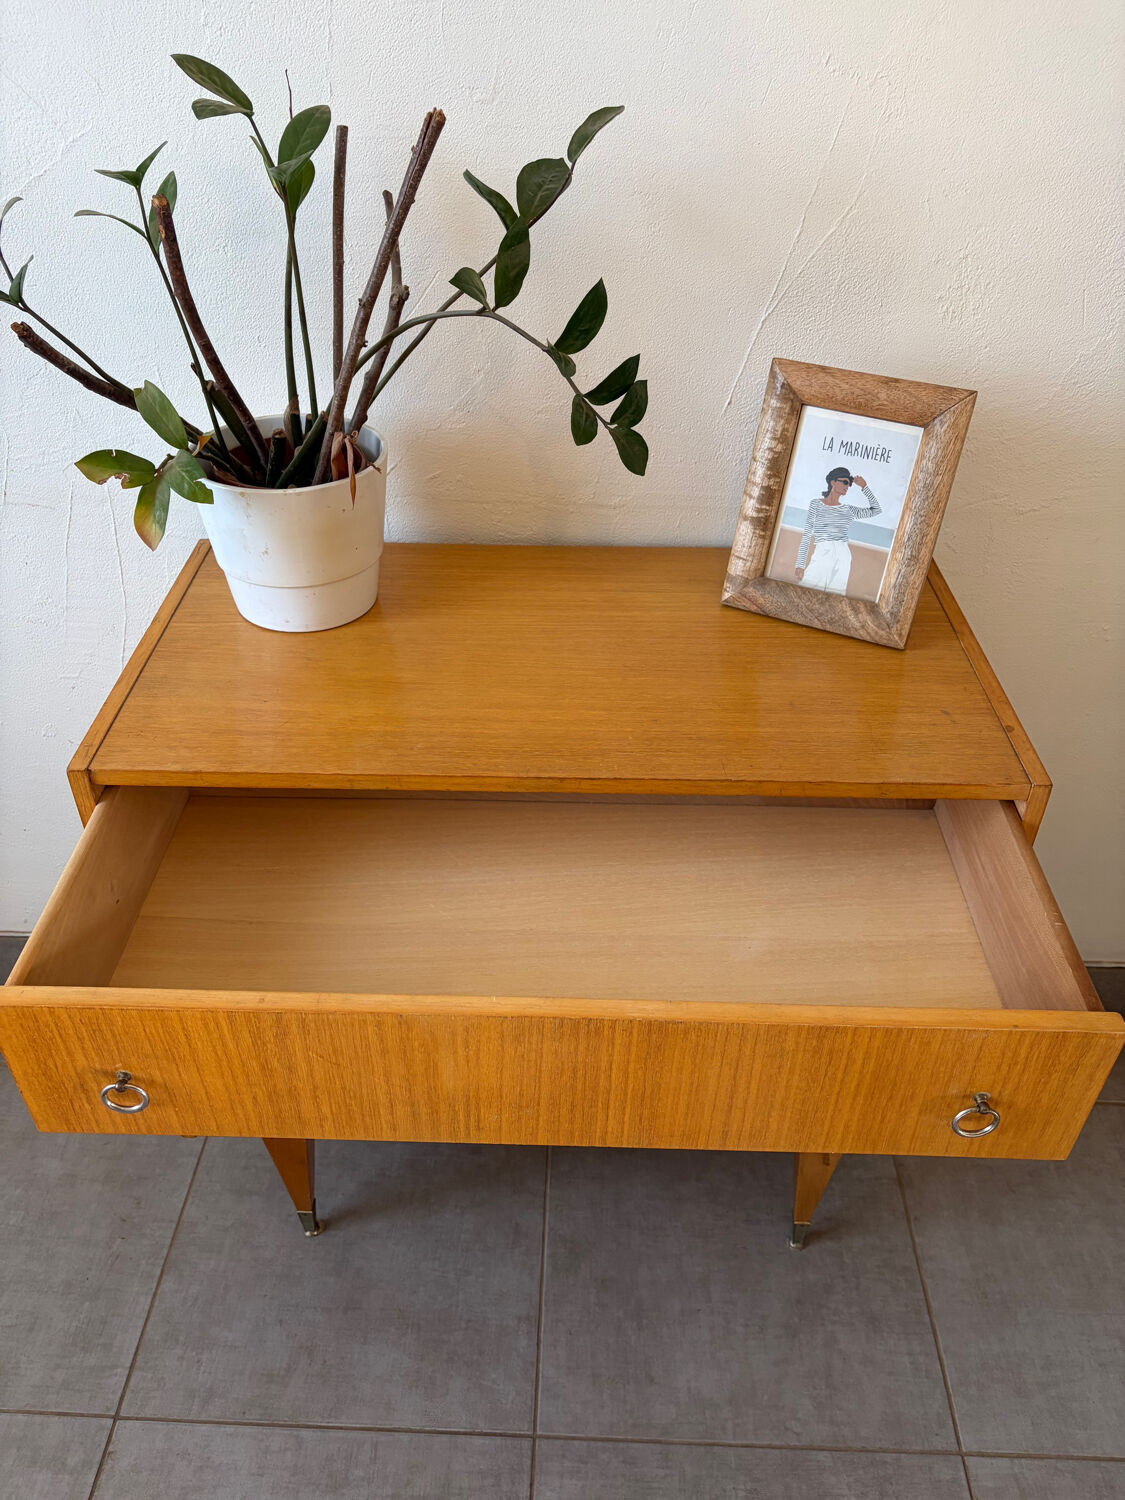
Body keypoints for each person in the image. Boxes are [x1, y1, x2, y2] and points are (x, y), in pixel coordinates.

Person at [794, 467, 881, 594]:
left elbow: (876, 510)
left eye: (849, 484)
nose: (847, 486)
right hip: (823, 551)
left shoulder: (848, 510)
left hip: (843, 554)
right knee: (806, 591)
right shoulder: (816, 504)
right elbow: (807, 534)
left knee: (836, 595)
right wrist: (800, 564)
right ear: (833, 482)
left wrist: (864, 487)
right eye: (844, 482)